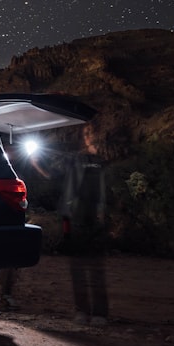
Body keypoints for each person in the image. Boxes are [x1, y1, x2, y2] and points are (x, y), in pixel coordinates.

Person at [59, 126, 110, 326]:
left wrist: (103, 214)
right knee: (77, 269)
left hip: (96, 222)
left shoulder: (104, 163)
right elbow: (64, 184)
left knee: (96, 270)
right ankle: (82, 310)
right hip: (77, 220)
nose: (90, 136)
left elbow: (106, 193)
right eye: (87, 133)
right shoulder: (76, 161)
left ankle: (100, 313)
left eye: (92, 132)